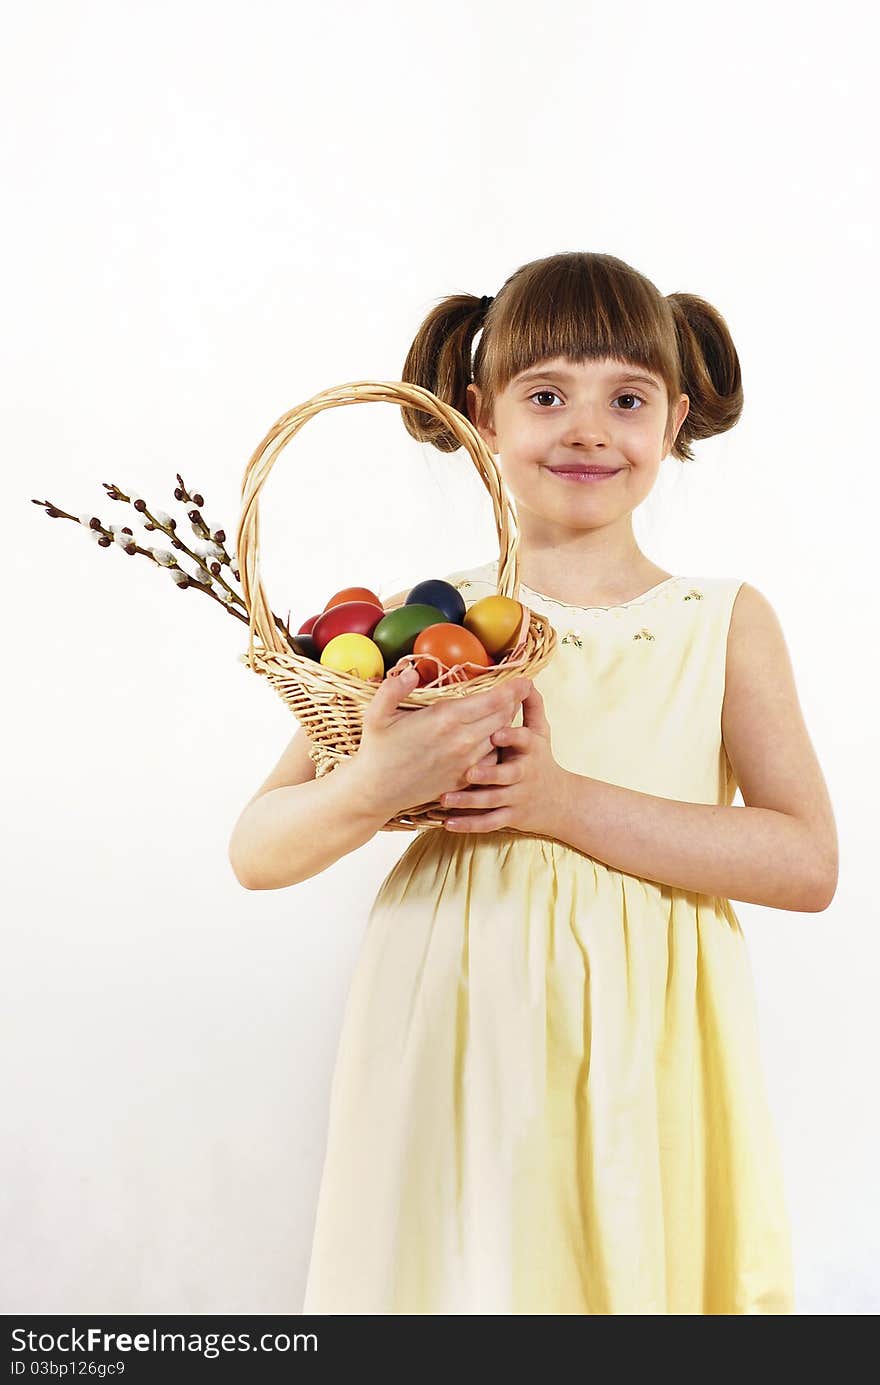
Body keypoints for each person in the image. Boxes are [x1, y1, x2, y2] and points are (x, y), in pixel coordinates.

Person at [228, 250, 838, 1313]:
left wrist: (562, 802)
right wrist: (373, 782)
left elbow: (804, 860)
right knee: (462, 1276)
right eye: (546, 394)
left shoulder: (721, 620)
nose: (588, 429)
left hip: (648, 1045)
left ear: (676, 416)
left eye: (627, 398)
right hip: (456, 1033)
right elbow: (258, 848)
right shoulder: (420, 624)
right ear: (480, 414)